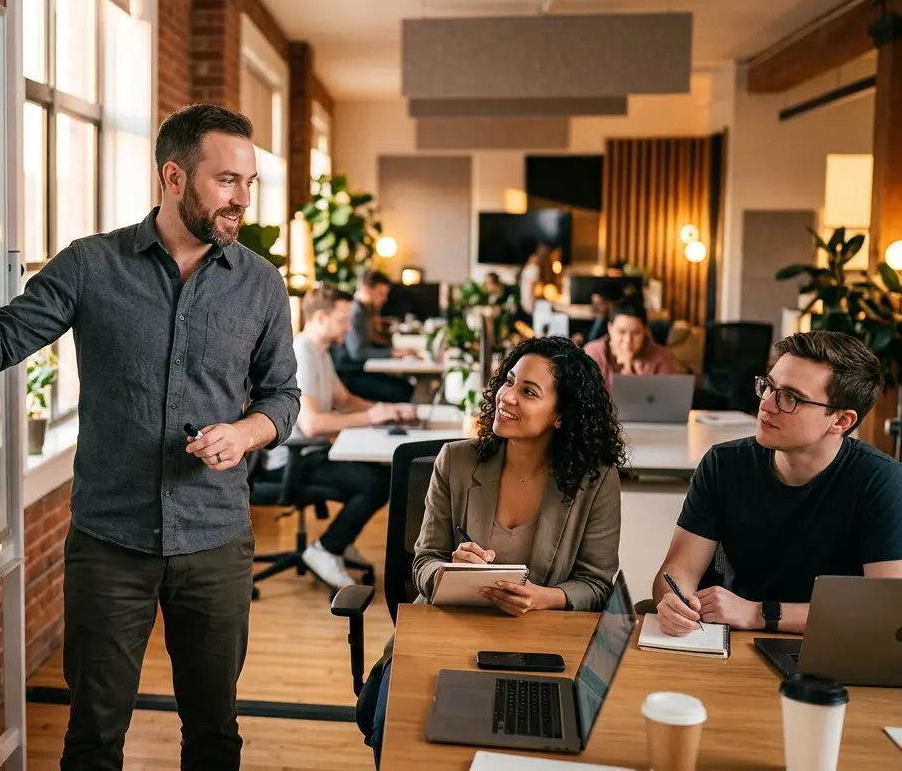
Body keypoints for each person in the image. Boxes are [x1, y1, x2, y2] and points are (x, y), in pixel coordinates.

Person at [0, 103, 301, 770]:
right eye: (227, 181)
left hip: (215, 541)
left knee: (215, 732)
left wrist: (245, 433)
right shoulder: (92, 266)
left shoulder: (261, 284)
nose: (242, 198)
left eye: (248, 182)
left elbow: (283, 397)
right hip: (110, 545)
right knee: (93, 739)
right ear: (175, 178)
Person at [367, 335, 626, 767]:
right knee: (396, 739)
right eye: (509, 382)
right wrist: (449, 570)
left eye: (529, 391)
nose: (507, 397)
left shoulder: (594, 481)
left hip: (539, 642)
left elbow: (597, 584)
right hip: (447, 631)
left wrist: (545, 597)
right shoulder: (456, 461)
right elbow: (423, 561)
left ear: (562, 415)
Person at [651, 331, 902, 638]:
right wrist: (672, 602)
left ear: (841, 421)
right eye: (769, 386)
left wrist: (759, 613)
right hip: (731, 641)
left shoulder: (882, 482)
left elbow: (886, 610)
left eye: (791, 398)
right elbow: (677, 572)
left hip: (829, 646)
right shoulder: (724, 464)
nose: (766, 405)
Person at [264, 283, 416, 588]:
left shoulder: (319, 352)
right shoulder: (301, 354)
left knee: (380, 474)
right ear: (321, 318)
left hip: (312, 453)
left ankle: (339, 541)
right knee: (377, 482)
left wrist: (384, 409)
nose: (350, 326)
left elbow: (344, 399)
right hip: (290, 461)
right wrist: (372, 417)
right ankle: (326, 549)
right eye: (343, 320)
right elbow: (312, 424)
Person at [331, 269, 416, 404]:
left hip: (358, 370)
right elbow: (358, 352)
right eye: (381, 293)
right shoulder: (356, 312)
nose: (384, 299)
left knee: (404, 384)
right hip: (348, 375)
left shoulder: (366, 311)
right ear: (366, 289)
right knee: (402, 389)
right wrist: (393, 353)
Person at [582, 300, 678, 386]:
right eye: (621, 332)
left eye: (636, 333)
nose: (628, 340)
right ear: (610, 329)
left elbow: (669, 400)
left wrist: (628, 370)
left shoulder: (661, 357)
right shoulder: (593, 353)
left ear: (645, 331)